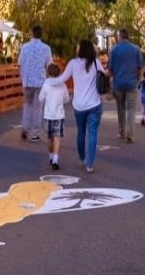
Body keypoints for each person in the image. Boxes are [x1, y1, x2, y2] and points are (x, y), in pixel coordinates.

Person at [43, 39, 106, 173]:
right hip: (94, 103)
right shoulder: (96, 63)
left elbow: (62, 79)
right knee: (93, 133)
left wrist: (48, 82)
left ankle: (82, 157)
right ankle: (90, 164)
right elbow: (104, 76)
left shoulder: (73, 64)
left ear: (80, 50)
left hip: (79, 105)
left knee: (81, 132)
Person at [108, 28, 145, 143]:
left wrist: (109, 84)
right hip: (132, 83)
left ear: (120, 36)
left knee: (120, 108)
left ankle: (121, 131)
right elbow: (140, 67)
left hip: (118, 84)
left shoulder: (114, 50)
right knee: (131, 109)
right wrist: (138, 79)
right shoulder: (136, 49)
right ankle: (130, 131)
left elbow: (111, 70)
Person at [17, 25, 53, 142]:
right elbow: (50, 66)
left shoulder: (25, 47)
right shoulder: (46, 48)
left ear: (32, 33)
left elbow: (20, 63)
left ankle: (25, 127)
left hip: (27, 80)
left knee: (27, 104)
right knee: (38, 107)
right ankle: (35, 133)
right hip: (40, 81)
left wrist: (22, 78)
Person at [38, 63, 70, 171]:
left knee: (49, 138)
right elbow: (66, 99)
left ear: (48, 73)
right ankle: (56, 159)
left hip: (48, 115)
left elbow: (40, 98)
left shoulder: (46, 85)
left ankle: (51, 156)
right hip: (59, 115)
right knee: (57, 138)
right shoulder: (63, 85)